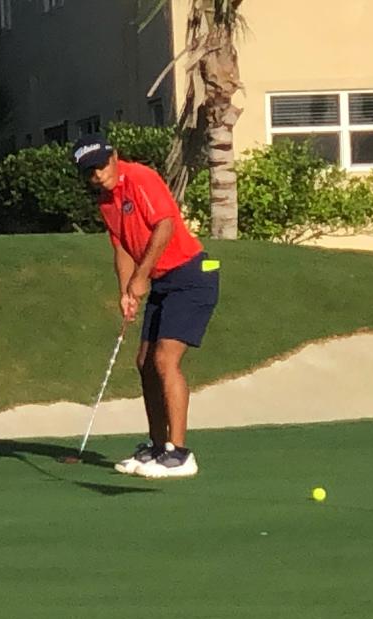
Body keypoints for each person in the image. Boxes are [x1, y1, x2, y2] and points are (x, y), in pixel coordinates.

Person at [72, 132, 219, 479]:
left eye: (101, 165)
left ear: (114, 156)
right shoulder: (107, 202)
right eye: (89, 170)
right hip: (164, 281)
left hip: (192, 275)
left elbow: (165, 226)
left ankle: (179, 453)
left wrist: (141, 277)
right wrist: (126, 291)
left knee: (165, 359)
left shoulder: (140, 178)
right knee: (144, 362)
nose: (98, 174)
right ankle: (156, 447)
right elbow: (122, 247)